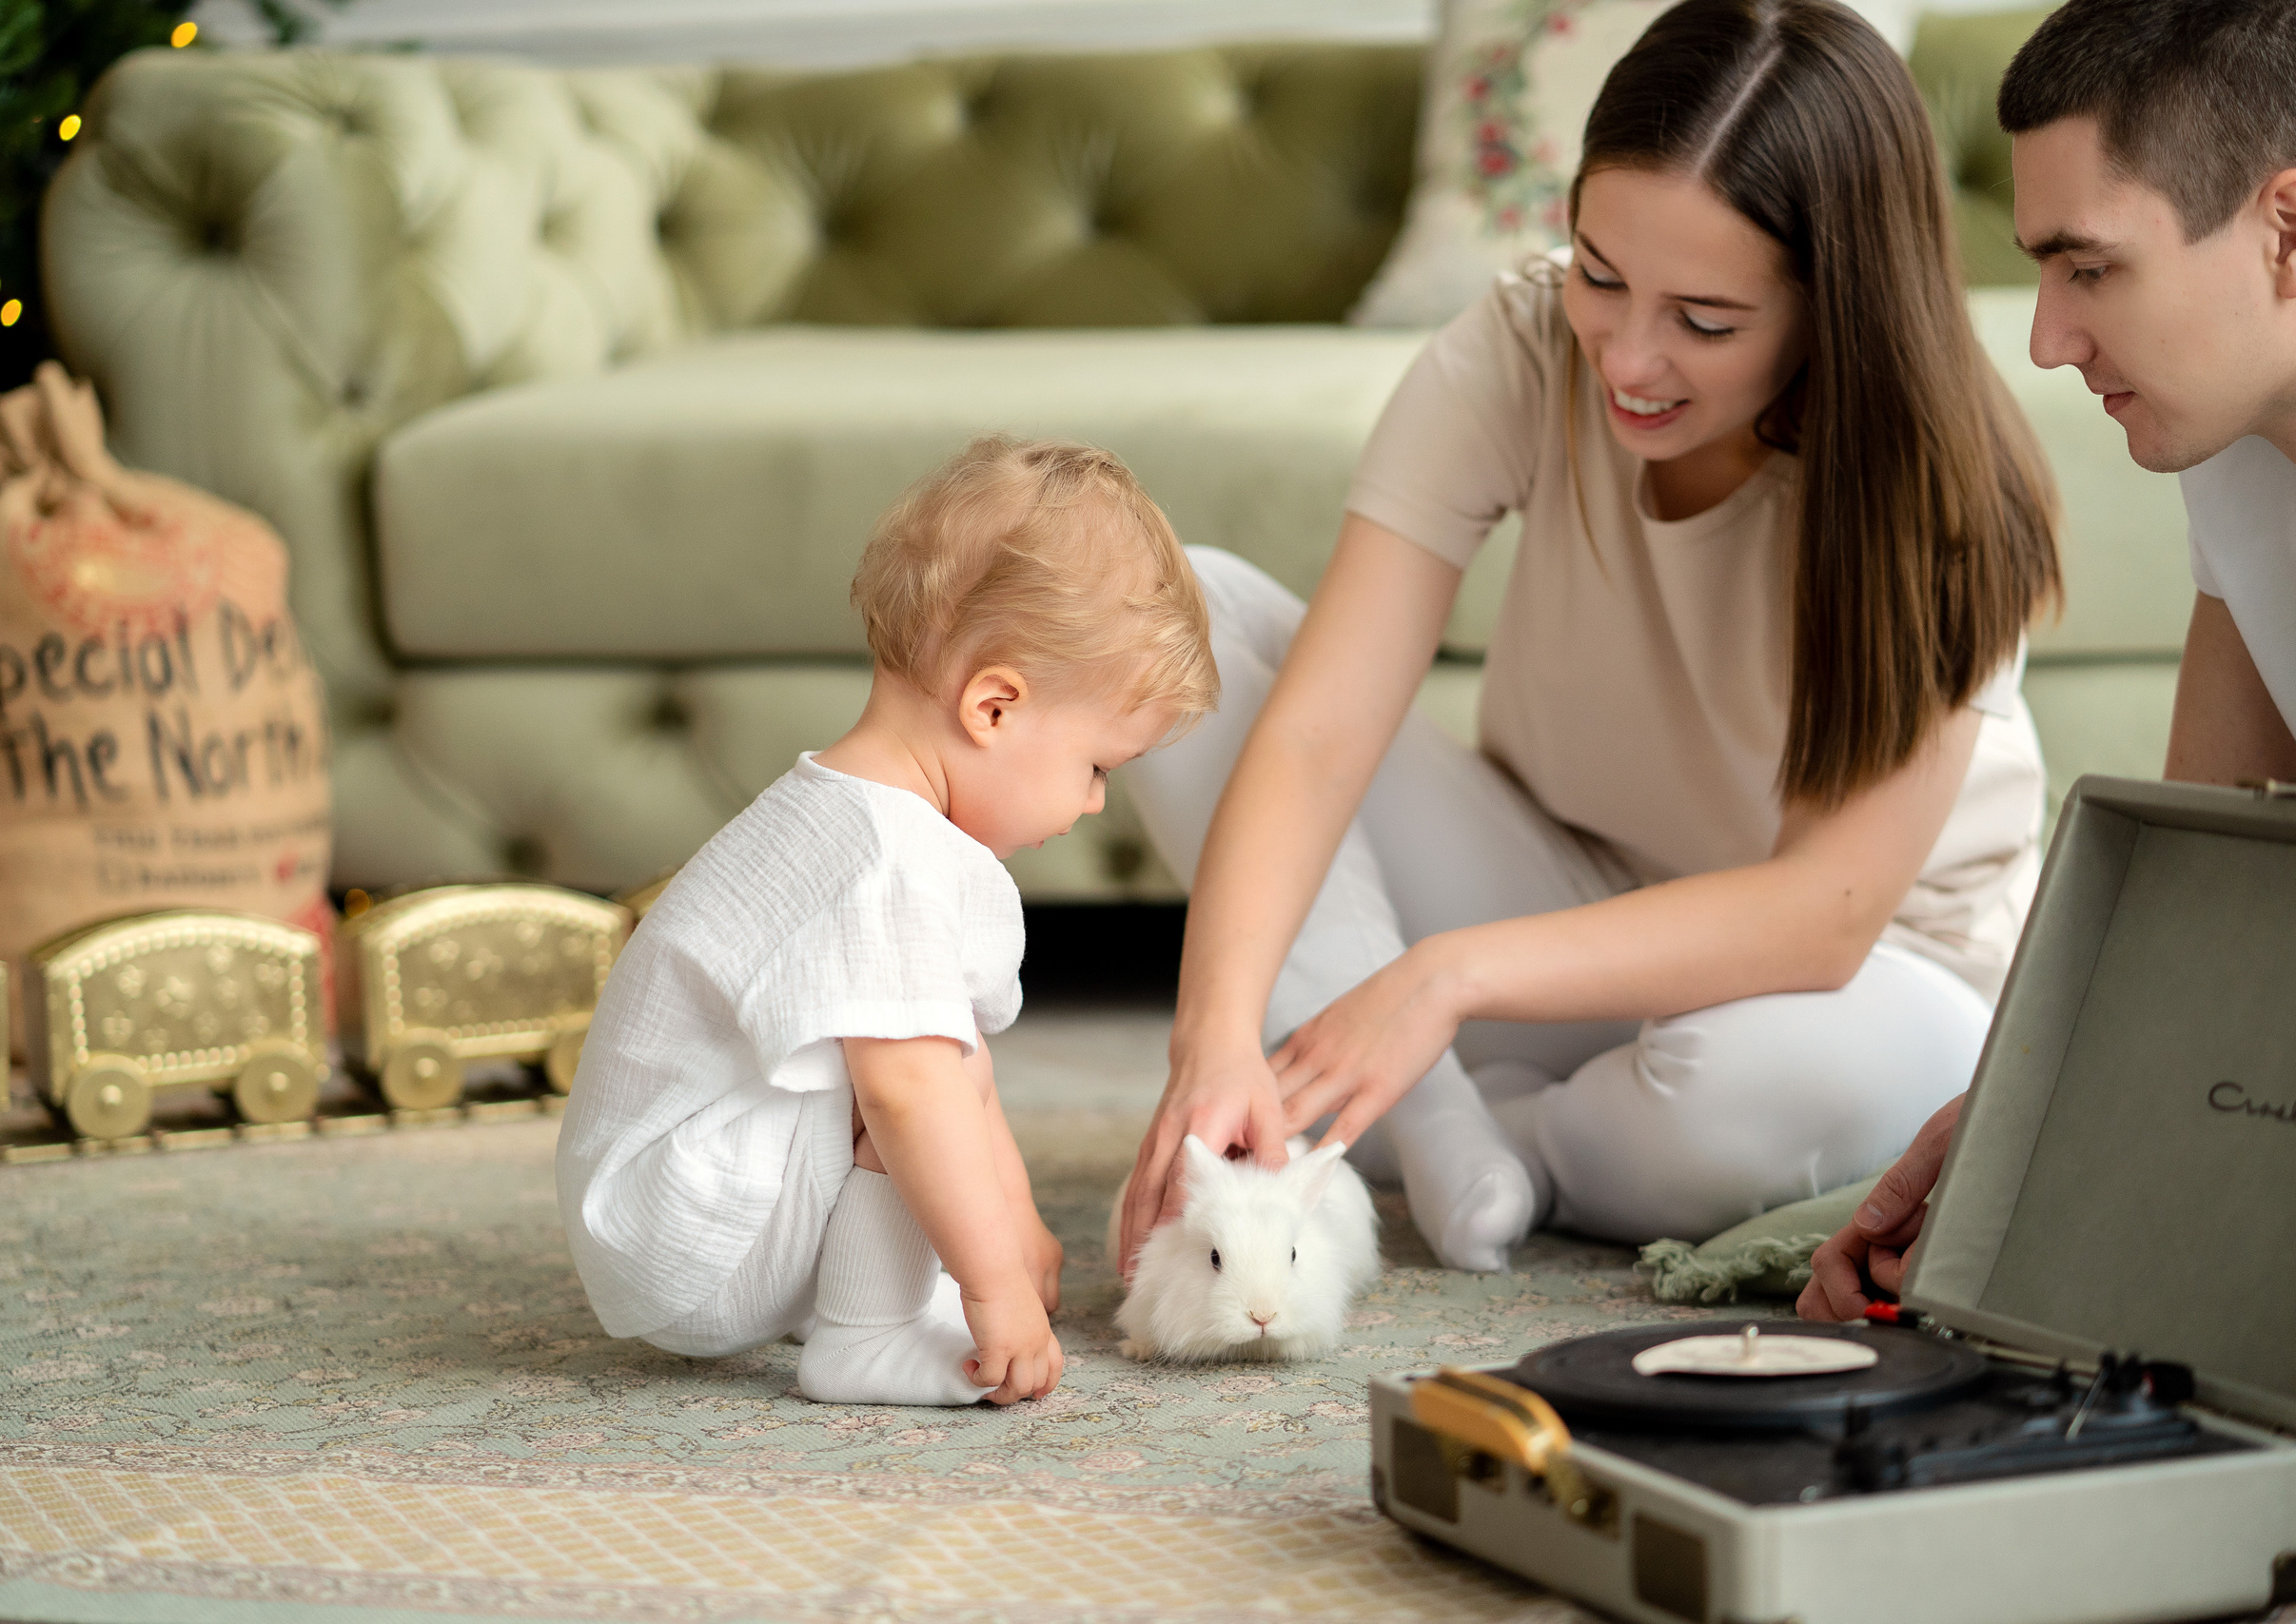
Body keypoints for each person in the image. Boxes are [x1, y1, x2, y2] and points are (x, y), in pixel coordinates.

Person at [1112, 0, 2063, 1280]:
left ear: (1837, 302)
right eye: (1601, 275)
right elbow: (1323, 724)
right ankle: (1437, 1118)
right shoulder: (1518, 345)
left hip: (1855, 982)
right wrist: (1212, 1030)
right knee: (1191, 619)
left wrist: (1441, 976)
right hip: (1564, 894)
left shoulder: (1939, 487)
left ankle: (1497, 1127)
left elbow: (1820, 917)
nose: (1628, 354)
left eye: (1706, 321)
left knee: (1755, 1086)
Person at [1801, 0, 2296, 1321]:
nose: (2045, 339)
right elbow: (2198, 908)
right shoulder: (2237, 450)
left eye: (2088, 269)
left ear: (2290, 233)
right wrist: (2017, 1148)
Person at [558, 438, 1218, 1401]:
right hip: (683, 1232)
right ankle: (864, 1336)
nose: (1094, 805)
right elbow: (912, 1093)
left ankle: (896, 1293)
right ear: (993, 707)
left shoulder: (847, 812)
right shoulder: (886, 855)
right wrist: (991, 1286)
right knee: (916, 1070)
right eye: (1096, 767)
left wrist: (1013, 1216)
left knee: (930, 1047)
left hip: (671, 1206)